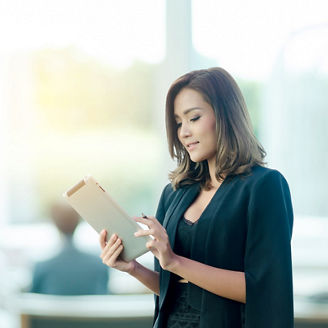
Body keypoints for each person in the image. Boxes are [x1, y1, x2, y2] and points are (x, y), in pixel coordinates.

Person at [99, 67, 294, 327]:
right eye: (179, 122)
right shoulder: (175, 193)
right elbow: (175, 290)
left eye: (194, 118)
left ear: (225, 115)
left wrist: (175, 261)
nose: (183, 132)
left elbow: (265, 289)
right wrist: (133, 268)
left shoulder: (264, 186)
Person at [31, 201, 109, 295]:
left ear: (55, 223)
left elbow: (33, 298)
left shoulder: (42, 267)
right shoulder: (100, 265)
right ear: (78, 221)